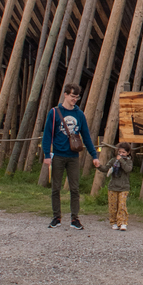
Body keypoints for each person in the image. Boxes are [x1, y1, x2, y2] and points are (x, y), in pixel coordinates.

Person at [42, 83, 99, 230]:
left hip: (73, 156)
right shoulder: (54, 113)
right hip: (58, 155)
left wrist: (94, 155)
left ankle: (75, 218)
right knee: (56, 188)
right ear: (65, 94)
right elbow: (47, 134)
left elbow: (86, 136)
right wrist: (47, 154)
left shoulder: (79, 115)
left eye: (77, 97)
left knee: (75, 189)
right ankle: (57, 217)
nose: (75, 99)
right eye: (72, 96)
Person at [99, 142, 133, 230]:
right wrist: (98, 166)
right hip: (113, 186)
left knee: (122, 205)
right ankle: (113, 222)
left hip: (124, 187)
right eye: (120, 152)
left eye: (123, 152)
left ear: (128, 153)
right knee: (113, 206)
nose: (121, 154)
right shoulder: (113, 160)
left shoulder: (129, 161)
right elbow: (106, 168)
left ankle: (122, 222)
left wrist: (121, 160)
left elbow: (127, 169)